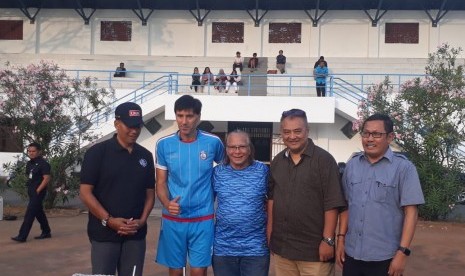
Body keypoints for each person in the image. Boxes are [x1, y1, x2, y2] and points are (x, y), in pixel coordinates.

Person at [336, 114, 425, 276]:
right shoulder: (352, 165)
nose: (370, 139)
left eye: (376, 134)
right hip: (352, 253)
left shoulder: (404, 168)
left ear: (390, 137)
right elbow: (346, 206)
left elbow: (411, 213)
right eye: (366, 133)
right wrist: (340, 240)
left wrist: (402, 252)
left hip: (385, 257)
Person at [79, 102, 155, 276]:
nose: (134, 131)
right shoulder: (97, 153)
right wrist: (108, 220)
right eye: (129, 126)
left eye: (138, 126)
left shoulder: (145, 156)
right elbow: (85, 192)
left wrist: (142, 220)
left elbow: (150, 193)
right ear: (117, 124)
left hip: (135, 235)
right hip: (104, 234)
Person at [267, 109, 346, 276]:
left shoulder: (324, 160)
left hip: (314, 252)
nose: (292, 136)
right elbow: (272, 199)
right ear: (281, 132)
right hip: (283, 249)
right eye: (287, 132)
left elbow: (332, 203)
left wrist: (328, 240)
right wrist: (270, 233)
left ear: (307, 130)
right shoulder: (277, 161)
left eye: (297, 131)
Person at [155, 95, 225, 276]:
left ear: (198, 117)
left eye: (189, 116)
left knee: (199, 271)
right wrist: (167, 203)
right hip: (173, 219)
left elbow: (225, 170)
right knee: (176, 270)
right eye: (180, 116)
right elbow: (161, 182)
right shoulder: (163, 145)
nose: (184, 121)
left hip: (203, 218)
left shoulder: (213, 142)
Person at [212, 130, 270, 276]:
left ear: (249, 149)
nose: (237, 151)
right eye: (232, 147)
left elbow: (272, 203)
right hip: (223, 249)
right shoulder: (217, 172)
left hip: (256, 250)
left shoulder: (263, 171)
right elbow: (204, 202)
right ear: (226, 150)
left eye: (242, 147)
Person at [11, 142, 52, 243]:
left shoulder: (44, 164)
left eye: (33, 151)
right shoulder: (29, 163)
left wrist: (38, 190)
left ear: (39, 152)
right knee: (39, 212)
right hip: (31, 191)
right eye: (29, 151)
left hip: (38, 193)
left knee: (29, 214)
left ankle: (22, 236)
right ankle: (46, 231)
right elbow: (29, 177)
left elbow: (46, 179)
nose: (31, 153)